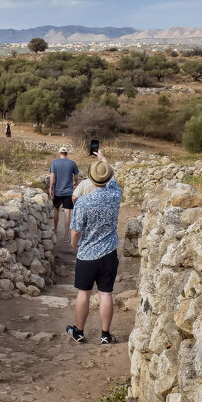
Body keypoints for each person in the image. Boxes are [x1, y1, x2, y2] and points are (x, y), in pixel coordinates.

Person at [66, 151, 121, 345]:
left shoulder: (83, 202)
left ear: (89, 178)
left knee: (84, 293)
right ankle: (105, 335)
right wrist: (104, 160)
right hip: (109, 252)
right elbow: (113, 177)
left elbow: (75, 233)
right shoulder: (115, 194)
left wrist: (75, 247)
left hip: (87, 253)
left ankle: (79, 332)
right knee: (105, 293)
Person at [48, 146, 79, 239]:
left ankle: (56, 229)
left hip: (57, 191)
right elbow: (76, 176)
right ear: (67, 153)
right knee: (67, 212)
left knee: (56, 209)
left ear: (59, 153)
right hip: (69, 192)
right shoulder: (72, 163)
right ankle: (66, 236)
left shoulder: (54, 163)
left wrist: (51, 188)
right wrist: (76, 183)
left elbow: (52, 177)